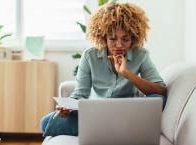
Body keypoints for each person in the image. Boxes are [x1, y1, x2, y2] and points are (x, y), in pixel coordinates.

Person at [41, 2, 167, 134]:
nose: (119, 45)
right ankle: (119, 129)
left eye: (125, 39)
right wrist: (67, 107)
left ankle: (107, 128)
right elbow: (80, 93)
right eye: (112, 39)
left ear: (134, 38)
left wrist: (126, 73)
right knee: (45, 122)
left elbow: (161, 91)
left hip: (128, 114)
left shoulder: (141, 55)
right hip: (97, 114)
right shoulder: (90, 56)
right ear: (103, 38)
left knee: (159, 99)